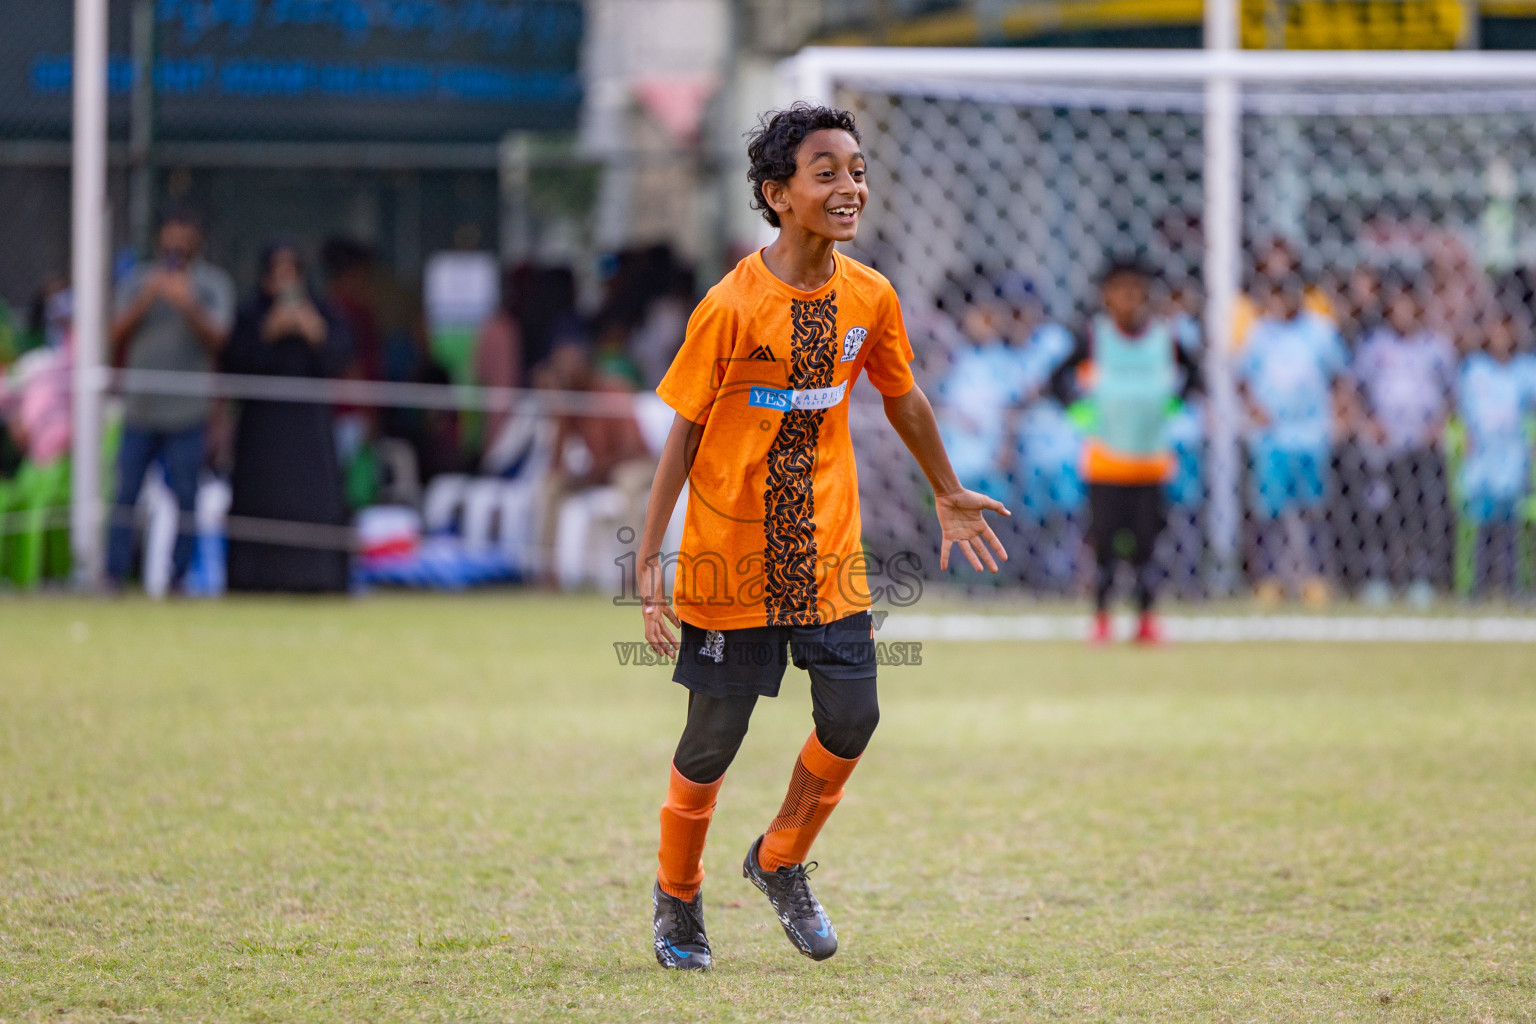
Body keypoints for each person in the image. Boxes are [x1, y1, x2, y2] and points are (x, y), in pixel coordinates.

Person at [638, 104, 1008, 971]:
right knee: (712, 740)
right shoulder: (729, 306)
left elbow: (902, 395)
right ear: (779, 194)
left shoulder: (871, 296)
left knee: (853, 717)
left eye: (858, 170)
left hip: (827, 554)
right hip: (730, 560)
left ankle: (779, 859)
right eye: (827, 172)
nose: (851, 187)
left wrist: (946, 488)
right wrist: (651, 560)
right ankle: (678, 896)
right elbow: (683, 438)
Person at [1050, 261, 1202, 644]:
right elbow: (1056, 380)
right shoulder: (1095, 337)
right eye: (1120, 291)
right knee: (1104, 544)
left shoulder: (1164, 338)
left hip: (1150, 461)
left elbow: (1195, 375)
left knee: (1147, 546)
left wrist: (1171, 407)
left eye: (1136, 291)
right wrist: (1081, 412)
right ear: (1106, 297)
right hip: (1106, 463)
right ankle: (1102, 617)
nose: (1129, 299)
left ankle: (1146, 618)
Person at [106, 207, 235, 591]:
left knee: (186, 496)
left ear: (197, 240)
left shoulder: (212, 284)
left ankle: (178, 577)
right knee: (125, 493)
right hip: (140, 408)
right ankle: (113, 574)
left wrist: (188, 304)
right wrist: (147, 298)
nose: (176, 244)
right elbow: (114, 332)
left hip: (188, 411)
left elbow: (222, 340)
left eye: (185, 235)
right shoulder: (138, 280)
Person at [221, 243, 352, 593]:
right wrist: (269, 332)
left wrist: (314, 331)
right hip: (262, 432)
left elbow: (339, 356)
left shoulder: (323, 311)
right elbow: (235, 362)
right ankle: (255, 578)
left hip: (310, 431)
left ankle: (316, 577)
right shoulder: (251, 315)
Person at [1237, 268, 1350, 606]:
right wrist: (1255, 409)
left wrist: (1341, 415)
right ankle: (1270, 578)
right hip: (1272, 438)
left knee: (1313, 509)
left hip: (1311, 435)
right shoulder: (1260, 334)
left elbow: (1339, 377)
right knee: (1269, 512)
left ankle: (1314, 577)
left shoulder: (1320, 332)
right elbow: (1243, 378)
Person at [1351, 271, 1458, 603]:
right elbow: (1355, 390)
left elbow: (1451, 393)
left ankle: (1421, 577)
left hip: (1423, 444)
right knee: (1383, 511)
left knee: (1422, 512)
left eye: (1409, 304)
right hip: (1386, 445)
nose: (1403, 311)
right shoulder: (1375, 346)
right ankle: (1380, 576)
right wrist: (1370, 423)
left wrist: (1437, 426)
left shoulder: (1436, 347)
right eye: (1397, 304)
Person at [1456, 284, 1534, 597]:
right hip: (1481, 458)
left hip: (1512, 457)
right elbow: (1463, 413)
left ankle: (1511, 585)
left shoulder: (1524, 371)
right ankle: (1477, 587)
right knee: (1482, 526)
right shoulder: (1475, 369)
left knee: (1509, 529)